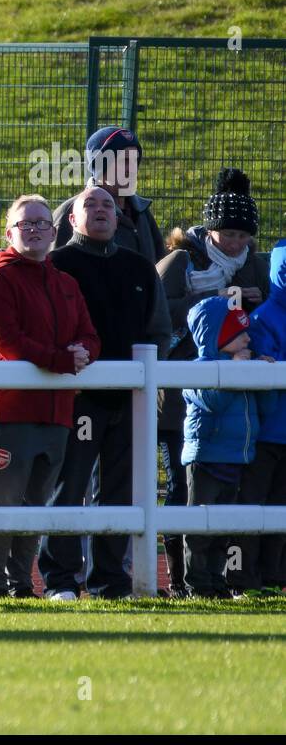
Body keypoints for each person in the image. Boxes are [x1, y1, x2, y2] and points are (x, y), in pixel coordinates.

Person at [38, 186, 171, 600]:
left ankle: (109, 582)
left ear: (118, 219)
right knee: (69, 486)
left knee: (120, 491)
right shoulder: (56, 265)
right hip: (78, 399)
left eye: (108, 206)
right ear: (71, 219)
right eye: (89, 205)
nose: (100, 211)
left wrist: (146, 383)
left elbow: (159, 331)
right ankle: (60, 580)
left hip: (129, 398)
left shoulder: (139, 268)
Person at [0, 195, 99, 599]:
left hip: (56, 414)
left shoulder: (65, 283)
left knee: (34, 506)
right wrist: (61, 359)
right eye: (26, 223)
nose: (35, 229)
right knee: (2, 505)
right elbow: (6, 341)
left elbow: (90, 336)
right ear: (9, 232)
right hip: (6, 412)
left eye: (42, 223)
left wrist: (82, 353)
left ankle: (22, 585)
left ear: (55, 231)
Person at [157, 168, 269, 591]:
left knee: (229, 493)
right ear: (209, 229)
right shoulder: (182, 261)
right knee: (180, 489)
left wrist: (253, 307)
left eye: (243, 235)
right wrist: (207, 298)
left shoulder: (255, 267)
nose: (236, 243)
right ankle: (180, 579)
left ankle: (220, 578)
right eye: (227, 234)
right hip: (178, 398)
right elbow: (157, 316)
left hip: (239, 402)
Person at [181, 298, 275, 598]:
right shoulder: (198, 369)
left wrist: (263, 378)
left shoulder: (243, 365)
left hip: (236, 458)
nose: (248, 338)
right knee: (200, 526)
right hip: (206, 458)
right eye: (239, 333)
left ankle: (216, 580)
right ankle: (197, 582)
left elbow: (266, 407)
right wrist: (236, 371)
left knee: (223, 527)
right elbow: (213, 402)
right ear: (218, 336)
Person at [236, 239, 286, 597]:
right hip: (264, 435)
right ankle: (243, 578)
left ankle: (273, 576)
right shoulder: (263, 318)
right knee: (253, 507)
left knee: (279, 507)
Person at [52, 126, 163, 264]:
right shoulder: (71, 212)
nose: (132, 169)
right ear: (100, 166)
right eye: (124, 161)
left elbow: (160, 269)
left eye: (135, 161)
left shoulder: (142, 212)